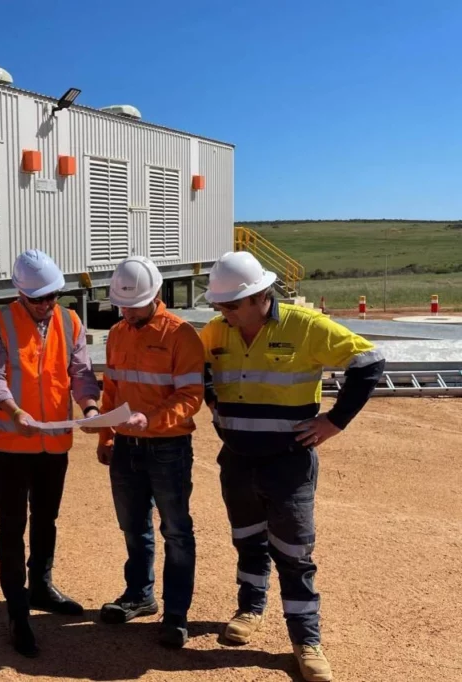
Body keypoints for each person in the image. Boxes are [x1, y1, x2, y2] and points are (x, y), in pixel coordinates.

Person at [200, 251, 386, 682]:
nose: (223, 314)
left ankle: (306, 640)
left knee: (294, 554)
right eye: (220, 307)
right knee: (247, 541)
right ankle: (250, 608)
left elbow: (369, 362)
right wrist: (212, 398)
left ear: (261, 297)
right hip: (237, 461)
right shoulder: (217, 331)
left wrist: (334, 421)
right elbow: (196, 365)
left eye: (231, 306)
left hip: (288, 465)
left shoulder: (306, 327)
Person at [0, 249, 101, 658]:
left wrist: (91, 408)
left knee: (46, 517)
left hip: (54, 442)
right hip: (13, 444)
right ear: (20, 293)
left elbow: (80, 373)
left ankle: (41, 586)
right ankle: (17, 608)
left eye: (52, 296)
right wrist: (14, 411)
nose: (47, 306)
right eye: (38, 299)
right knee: (11, 526)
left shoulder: (70, 320)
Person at [95, 256, 205, 649]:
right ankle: (140, 595)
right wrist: (106, 436)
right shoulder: (118, 333)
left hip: (168, 448)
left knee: (176, 530)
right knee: (133, 527)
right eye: (122, 305)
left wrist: (152, 420)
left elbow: (192, 396)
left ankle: (176, 614)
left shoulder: (181, 335)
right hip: (126, 447)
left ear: (156, 295)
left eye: (134, 304)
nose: (126, 311)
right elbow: (111, 390)